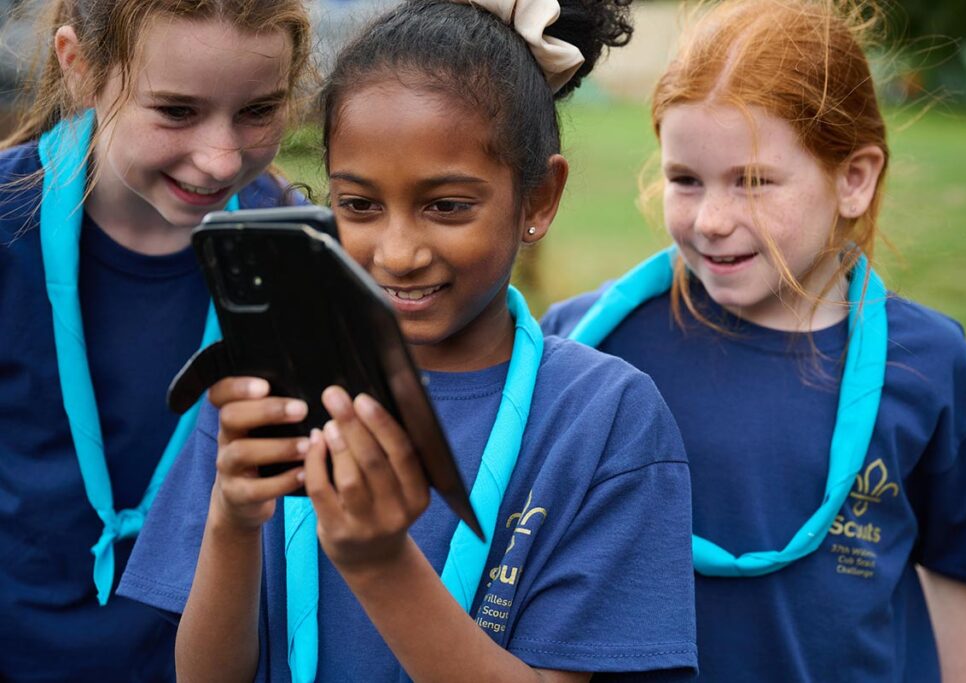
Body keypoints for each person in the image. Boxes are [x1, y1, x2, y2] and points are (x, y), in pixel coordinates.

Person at [118, 0, 699, 681]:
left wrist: (379, 562)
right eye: (359, 205)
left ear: (539, 199)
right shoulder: (269, 384)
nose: (397, 252)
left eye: (447, 206)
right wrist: (232, 519)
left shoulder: (604, 420)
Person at [542, 0, 966, 681]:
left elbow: (963, 572)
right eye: (685, 179)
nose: (710, 219)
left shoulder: (928, 364)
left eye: (754, 182)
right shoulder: (587, 346)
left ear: (853, 179)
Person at [0, 1, 312, 680]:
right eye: (176, 111)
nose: (221, 157)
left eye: (259, 111)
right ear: (78, 66)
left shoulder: (302, 254)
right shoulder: (8, 225)